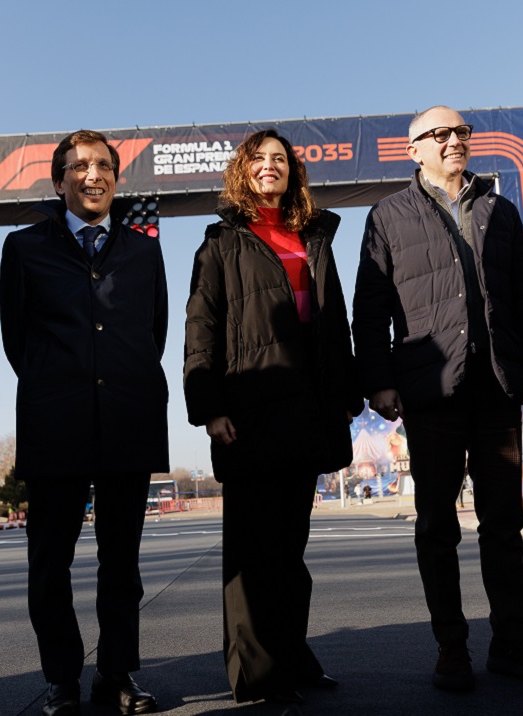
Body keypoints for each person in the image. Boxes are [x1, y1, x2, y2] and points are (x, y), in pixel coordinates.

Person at [351, 106, 523, 693]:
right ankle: (452, 647)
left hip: (496, 386)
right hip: (431, 392)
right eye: (440, 134)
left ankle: (512, 644)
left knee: (504, 523)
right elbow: (369, 311)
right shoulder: (387, 215)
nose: (454, 141)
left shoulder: (500, 210)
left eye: (462, 133)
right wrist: (379, 381)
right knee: (436, 525)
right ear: (414, 150)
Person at [183, 129, 363, 705]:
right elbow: (201, 330)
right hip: (249, 413)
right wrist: (210, 409)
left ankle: (294, 654)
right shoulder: (220, 242)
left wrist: (345, 394)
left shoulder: (315, 236)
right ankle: (256, 674)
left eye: (280, 159)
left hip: (308, 410)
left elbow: (335, 325)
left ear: (293, 172)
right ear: (243, 171)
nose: (270, 167)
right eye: (258, 159)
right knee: (251, 551)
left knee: (290, 551)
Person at [0, 130, 169, 716]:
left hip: (129, 418)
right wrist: (60, 384)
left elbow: (155, 333)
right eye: (79, 166)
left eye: (102, 166)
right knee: (50, 563)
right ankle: (62, 680)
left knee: (122, 563)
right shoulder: (23, 247)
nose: (92, 175)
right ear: (59, 180)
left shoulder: (145, 250)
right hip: (55, 422)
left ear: (116, 180)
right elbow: (15, 340)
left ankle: (117, 674)